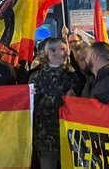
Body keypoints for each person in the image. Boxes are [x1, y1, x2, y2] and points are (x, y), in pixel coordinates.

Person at [29, 38, 78, 168]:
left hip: (68, 136)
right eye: (62, 49)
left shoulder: (72, 75)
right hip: (45, 135)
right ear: (50, 52)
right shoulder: (36, 77)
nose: (67, 53)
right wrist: (59, 100)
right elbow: (32, 105)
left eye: (66, 49)